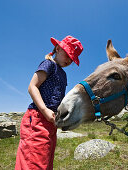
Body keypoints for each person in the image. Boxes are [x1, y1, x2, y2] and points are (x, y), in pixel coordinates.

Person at [15, 35, 83, 170]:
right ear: (58, 48)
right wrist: (45, 110)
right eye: (68, 54)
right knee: (34, 161)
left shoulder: (63, 74)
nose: (69, 60)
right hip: (38, 117)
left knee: (45, 160)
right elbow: (32, 87)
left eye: (72, 58)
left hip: (51, 122)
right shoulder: (49, 64)